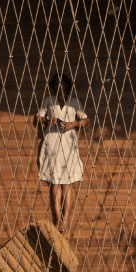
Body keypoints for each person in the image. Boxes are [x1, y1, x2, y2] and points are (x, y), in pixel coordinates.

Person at [34, 73, 87, 229]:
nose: (60, 86)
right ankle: (57, 219)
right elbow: (37, 118)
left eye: (62, 83)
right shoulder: (48, 101)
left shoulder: (75, 102)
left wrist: (73, 124)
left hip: (68, 145)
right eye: (57, 83)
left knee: (68, 183)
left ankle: (66, 220)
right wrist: (47, 120)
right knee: (55, 183)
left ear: (67, 85)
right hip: (52, 144)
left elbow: (86, 120)